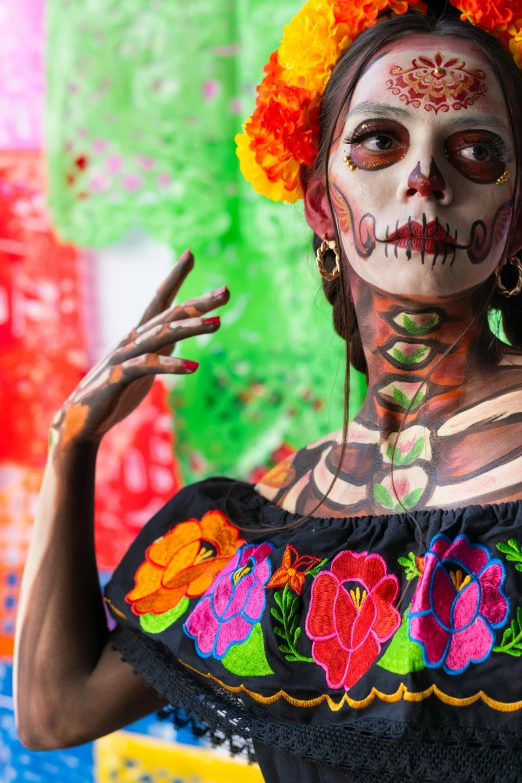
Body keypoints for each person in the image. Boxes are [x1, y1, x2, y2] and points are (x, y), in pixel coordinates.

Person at [13, 0, 522, 780]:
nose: (424, 180)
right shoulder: (284, 516)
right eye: (380, 141)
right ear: (321, 200)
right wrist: (72, 442)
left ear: (516, 219)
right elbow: (58, 711)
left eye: (476, 150)